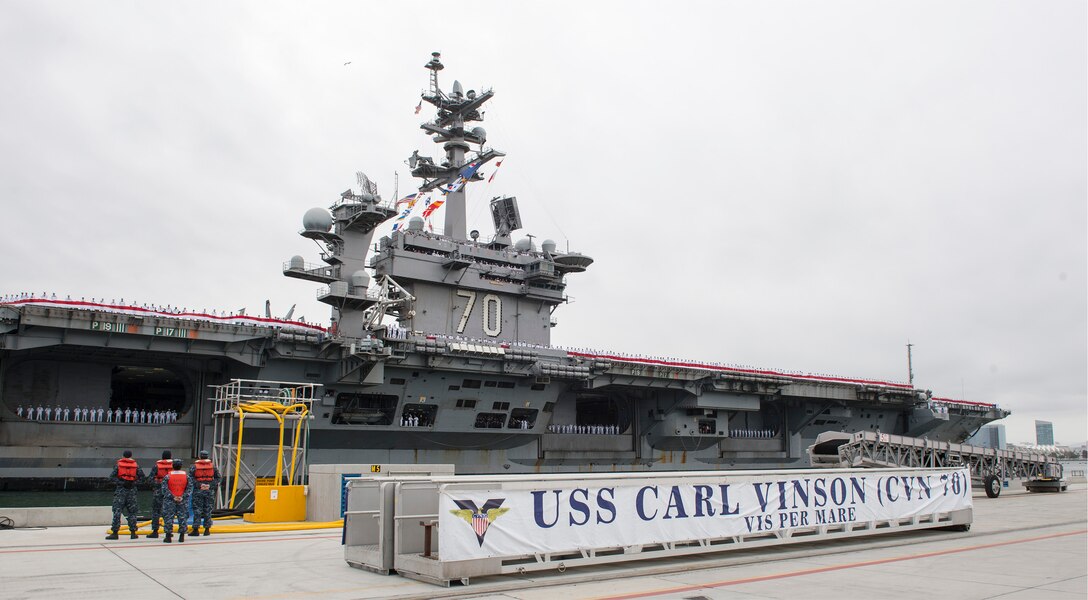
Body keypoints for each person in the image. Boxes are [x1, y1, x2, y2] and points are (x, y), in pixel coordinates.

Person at [106, 450, 144, 540]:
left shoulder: (118, 465)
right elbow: (142, 478)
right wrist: (133, 483)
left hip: (121, 491)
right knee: (132, 512)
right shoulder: (136, 466)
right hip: (132, 492)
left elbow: (111, 477)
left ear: (123, 456)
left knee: (117, 512)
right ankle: (133, 533)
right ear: (131, 455)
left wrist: (121, 483)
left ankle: (115, 533)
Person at [188, 450, 221, 536]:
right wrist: (210, 485)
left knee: (197, 510)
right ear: (207, 457)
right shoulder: (213, 466)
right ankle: (207, 529)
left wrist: (199, 485)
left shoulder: (194, 467)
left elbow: (190, 479)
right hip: (209, 491)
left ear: (200, 457)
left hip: (198, 491)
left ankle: (196, 529)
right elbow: (218, 478)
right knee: (208, 510)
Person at [161, 459, 192, 543]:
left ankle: (168, 537)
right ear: (181, 466)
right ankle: (182, 536)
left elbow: (164, 489)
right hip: (182, 500)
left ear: (172, 466)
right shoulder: (186, 476)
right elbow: (189, 489)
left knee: (168, 518)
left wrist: (172, 497)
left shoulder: (167, 476)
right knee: (183, 517)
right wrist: (182, 496)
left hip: (170, 501)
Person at [146, 450, 174, 538]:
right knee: (169, 512)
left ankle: (155, 531)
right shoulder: (174, 466)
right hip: (170, 492)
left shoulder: (157, 466)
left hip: (158, 491)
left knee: (156, 511)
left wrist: (156, 486)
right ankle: (168, 531)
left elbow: (150, 479)